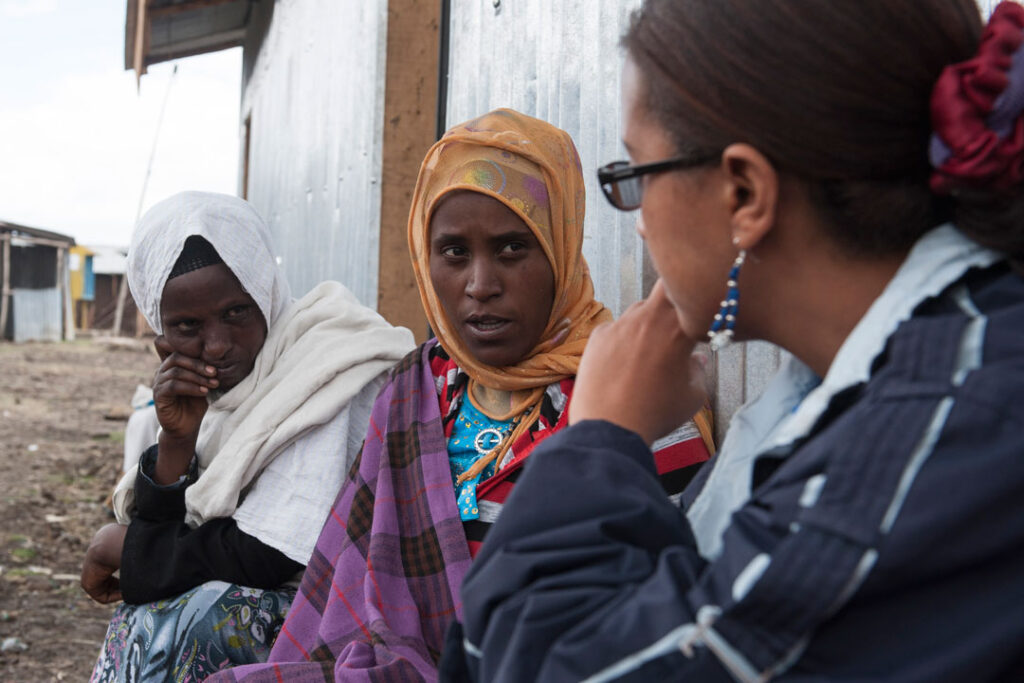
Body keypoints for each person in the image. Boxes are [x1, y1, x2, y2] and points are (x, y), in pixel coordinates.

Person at [442, 2, 1024, 681]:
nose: (638, 227)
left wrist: (597, 436)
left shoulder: (938, 424)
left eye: (636, 176)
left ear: (745, 193)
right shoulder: (848, 386)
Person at [209, 108, 714, 682]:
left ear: (562, 247)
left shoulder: (636, 395)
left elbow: (666, 615)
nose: (480, 285)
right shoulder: (414, 392)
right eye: (453, 253)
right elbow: (346, 591)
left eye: (511, 249)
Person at [81, 192, 415, 682]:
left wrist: (130, 550)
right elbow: (177, 531)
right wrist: (177, 440)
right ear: (162, 338)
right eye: (188, 326)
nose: (216, 345)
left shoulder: (327, 362)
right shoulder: (225, 399)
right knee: (154, 607)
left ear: (267, 294)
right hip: (287, 590)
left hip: (357, 613)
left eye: (237, 312)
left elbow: (270, 553)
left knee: (201, 616)